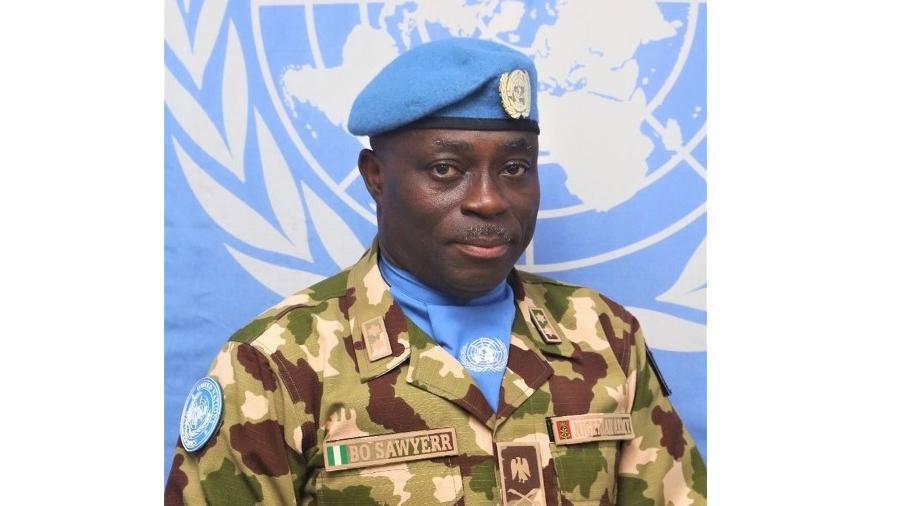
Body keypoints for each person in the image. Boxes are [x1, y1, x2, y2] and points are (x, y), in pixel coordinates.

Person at [165, 37, 707, 506]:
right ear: (376, 177)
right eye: (446, 169)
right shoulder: (276, 363)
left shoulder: (604, 335)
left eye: (515, 167)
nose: (489, 200)